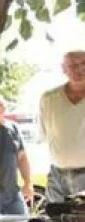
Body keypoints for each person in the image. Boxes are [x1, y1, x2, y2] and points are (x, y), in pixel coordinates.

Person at [40, 50, 85, 203]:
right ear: (63, 69)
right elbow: (44, 134)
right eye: (73, 65)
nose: (80, 69)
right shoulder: (48, 99)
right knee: (55, 218)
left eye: (84, 63)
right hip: (57, 177)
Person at [0, 94, 32, 215]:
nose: (2, 111)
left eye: (2, 108)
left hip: (12, 193)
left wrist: (28, 183)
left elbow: (22, 158)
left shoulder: (12, 128)